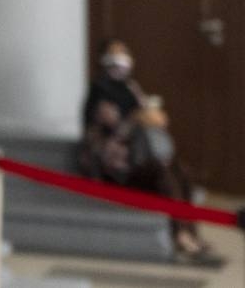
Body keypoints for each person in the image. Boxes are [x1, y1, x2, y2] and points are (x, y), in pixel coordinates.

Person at [80, 37, 213, 263]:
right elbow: (111, 132)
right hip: (119, 167)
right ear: (103, 59)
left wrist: (149, 117)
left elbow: (153, 118)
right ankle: (179, 234)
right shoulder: (99, 91)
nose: (120, 59)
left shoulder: (131, 88)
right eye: (115, 53)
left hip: (142, 159)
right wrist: (137, 118)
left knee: (179, 170)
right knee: (163, 174)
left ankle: (191, 232)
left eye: (124, 52)